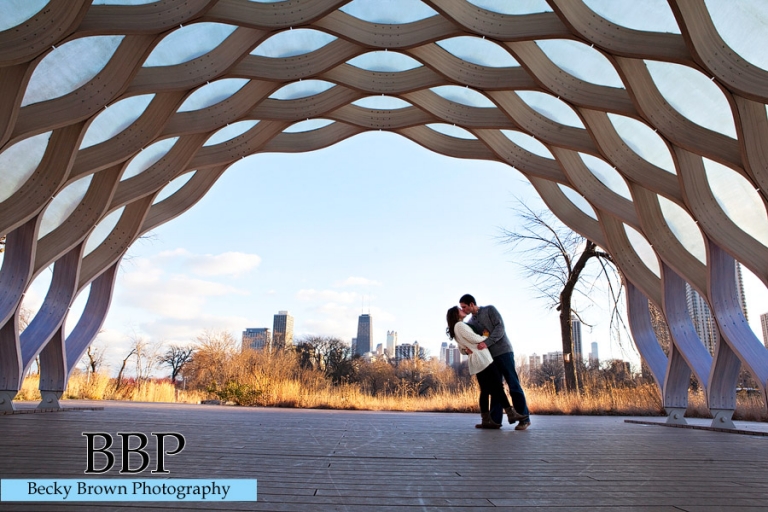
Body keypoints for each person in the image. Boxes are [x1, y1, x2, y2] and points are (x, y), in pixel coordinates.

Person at [459, 294, 531, 430]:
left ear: (472, 304)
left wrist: (487, 342)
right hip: (489, 358)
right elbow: (468, 339)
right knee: (496, 388)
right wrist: (465, 349)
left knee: (513, 384)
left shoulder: (489, 310)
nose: (463, 309)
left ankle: (524, 419)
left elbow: (500, 328)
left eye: (464, 307)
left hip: (504, 352)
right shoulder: (470, 323)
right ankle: (495, 420)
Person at [446, 306, 517, 429]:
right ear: (456, 314)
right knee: (497, 387)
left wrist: (466, 349)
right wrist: (486, 337)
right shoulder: (460, 326)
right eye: (460, 309)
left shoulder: (455, 328)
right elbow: (475, 339)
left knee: (485, 391)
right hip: (483, 359)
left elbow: (461, 349)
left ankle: (486, 419)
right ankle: (511, 414)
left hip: (476, 361)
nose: (462, 310)